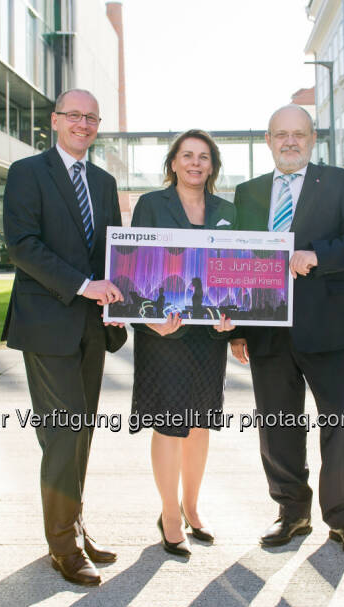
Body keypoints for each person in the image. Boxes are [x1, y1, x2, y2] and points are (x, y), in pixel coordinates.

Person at [230, 105, 344, 558]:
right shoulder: (248, 192)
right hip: (267, 329)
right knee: (278, 425)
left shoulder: (339, 182)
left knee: (338, 422)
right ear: (269, 141)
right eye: (280, 135)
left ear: (312, 139)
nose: (289, 141)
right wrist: (237, 329)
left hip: (327, 324)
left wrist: (317, 255)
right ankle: (291, 512)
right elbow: (238, 260)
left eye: (298, 134)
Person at [1, 88, 127, 586]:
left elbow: (112, 254)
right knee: (65, 430)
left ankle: (73, 524)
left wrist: (120, 304)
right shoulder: (26, 173)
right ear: (54, 121)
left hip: (93, 328)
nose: (83, 124)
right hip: (46, 323)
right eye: (73, 115)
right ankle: (63, 547)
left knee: (81, 432)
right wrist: (82, 286)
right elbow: (22, 245)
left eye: (91, 118)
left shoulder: (103, 180)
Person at [129, 129, 236, 557]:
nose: (196, 163)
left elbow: (236, 268)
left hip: (208, 337)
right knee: (169, 424)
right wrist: (148, 323)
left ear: (212, 166)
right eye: (187, 155)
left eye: (204, 157)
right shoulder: (152, 205)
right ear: (173, 162)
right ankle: (169, 513)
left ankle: (192, 508)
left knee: (199, 422)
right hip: (164, 336)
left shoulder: (228, 210)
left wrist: (238, 320)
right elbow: (135, 268)